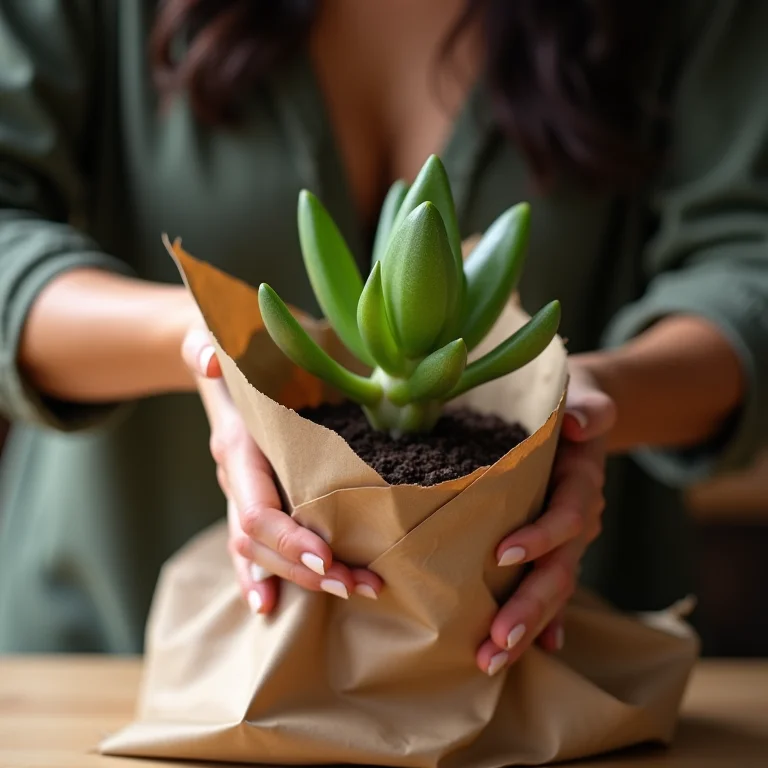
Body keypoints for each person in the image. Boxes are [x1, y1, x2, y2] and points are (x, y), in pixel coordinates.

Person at [0, 0, 765, 675]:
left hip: (542, 681)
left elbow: (745, 262)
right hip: (106, 671)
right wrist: (208, 340)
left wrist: (595, 401)